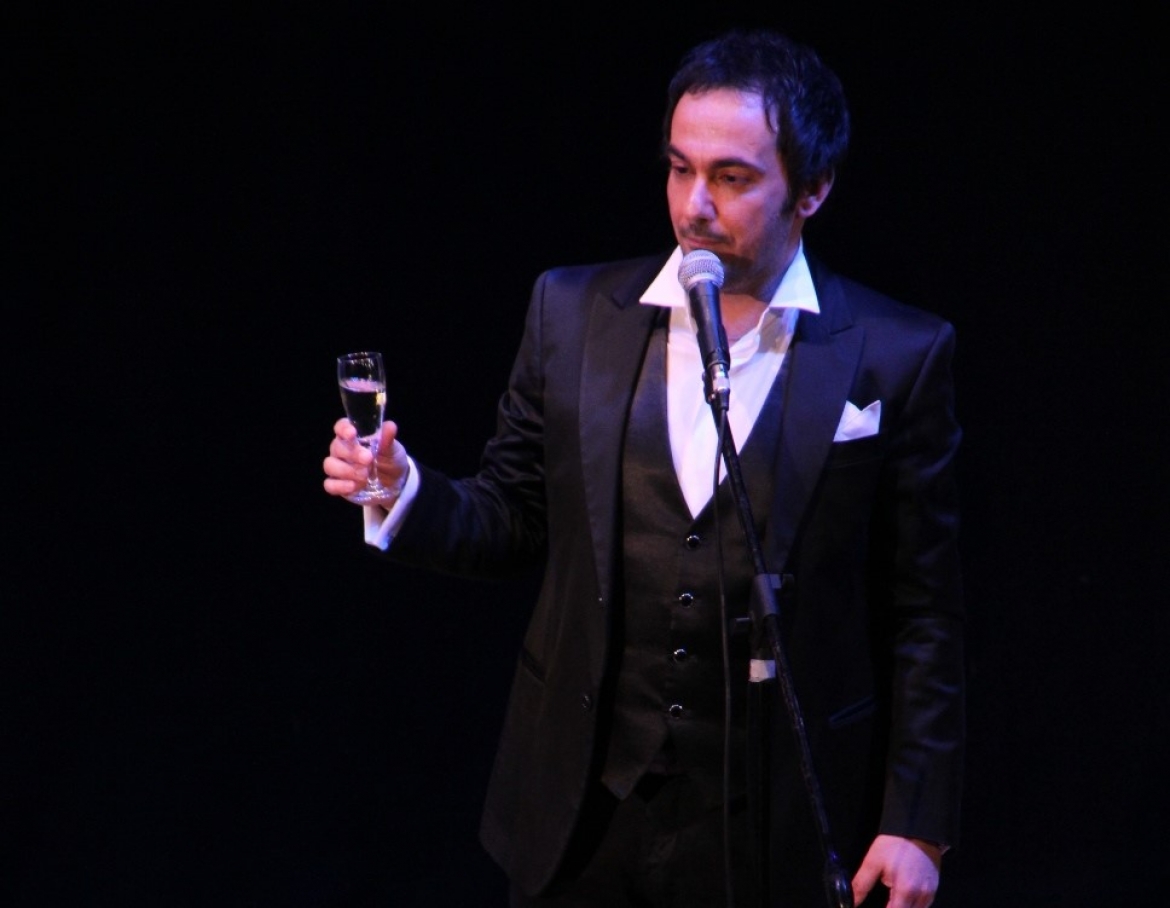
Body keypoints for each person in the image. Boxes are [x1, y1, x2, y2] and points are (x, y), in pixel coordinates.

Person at [323, 26, 964, 908]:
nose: (694, 205)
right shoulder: (572, 312)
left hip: (774, 822)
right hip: (584, 814)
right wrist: (406, 492)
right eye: (678, 168)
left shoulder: (896, 354)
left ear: (813, 188)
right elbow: (512, 519)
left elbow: (923, 611)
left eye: (732, 178)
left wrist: (916, 822)